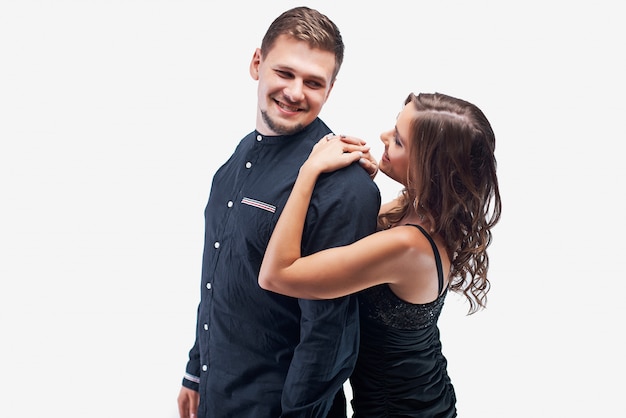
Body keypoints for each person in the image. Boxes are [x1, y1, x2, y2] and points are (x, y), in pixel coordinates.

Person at [177, 6, 381, 418]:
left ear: (331, 88)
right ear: (257, 63)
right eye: (284, 73)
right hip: (217, 395)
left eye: (313, 82)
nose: (294, 92)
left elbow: (330, 334)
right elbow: (216, 276)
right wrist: (196, 372)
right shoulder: (236, 161)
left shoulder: (344, 186)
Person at [259, 92, 502, 417]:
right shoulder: (421, 211)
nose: (384, 138)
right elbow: (351, 239)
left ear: (428, 167)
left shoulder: (408, 246)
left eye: (399, 141)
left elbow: (277, 274)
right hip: (426, 397)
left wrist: (309, 172)